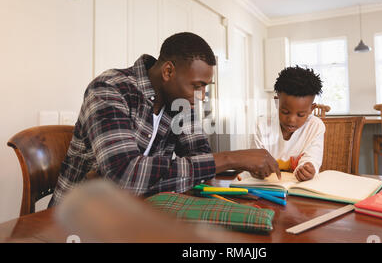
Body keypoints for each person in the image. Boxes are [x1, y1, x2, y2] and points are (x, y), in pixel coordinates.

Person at [49, 32, 280, 207]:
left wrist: (236, 162)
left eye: (205, 88)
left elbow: (200, 158)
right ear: (168, 72)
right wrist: (230, 158)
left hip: (137, 210)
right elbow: (125, 176)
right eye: (197, 86)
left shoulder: (180, 100)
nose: (200, 97)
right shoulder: (109, 89)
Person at [254, 66, 325, 182]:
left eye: (300, 115)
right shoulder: (262, 125)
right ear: (277, 103)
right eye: (285, 112)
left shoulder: (315, 126)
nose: (291, 120)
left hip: (298, 190)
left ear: (311, 109)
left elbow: (312, 159)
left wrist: (308, 169)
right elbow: (255, 160)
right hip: (265, 188)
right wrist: (256, 169)